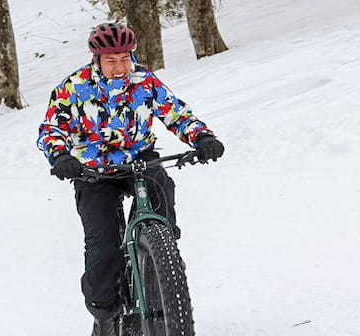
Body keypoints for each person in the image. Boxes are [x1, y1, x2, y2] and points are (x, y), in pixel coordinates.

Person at [37, 23, 224, 336]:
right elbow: (52, 129)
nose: (120, 66)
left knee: (162, 186)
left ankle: (161, 258)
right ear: (97, 60)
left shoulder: (145, 80)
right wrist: (61, 157)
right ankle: (105, 314)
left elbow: (174, 112)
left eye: (125, 58)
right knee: (103, 248)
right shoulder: (75, 86)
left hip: (139, 159)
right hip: (93, 171)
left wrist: (201, 137)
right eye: (111, 60)